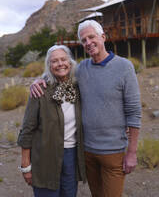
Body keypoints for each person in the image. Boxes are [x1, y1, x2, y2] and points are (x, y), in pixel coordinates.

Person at [30, 20, 142, 197]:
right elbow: (59, 72)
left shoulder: (124, 67)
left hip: (113, 153)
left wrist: (132, 153)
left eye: (92, 37)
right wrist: (38, 80)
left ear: (103, 37)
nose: (88, 43)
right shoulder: (81, 69)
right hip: (86, 152)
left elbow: (134, 113)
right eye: (84, 40)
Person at [17, 45, 86, 197]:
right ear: (49, 66)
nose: (60, 64)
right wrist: (25, 165)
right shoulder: (40, 90)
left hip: (71, 155)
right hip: (45, 157)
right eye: (54, 61)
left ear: (70, 62)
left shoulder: (79, 87)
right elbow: (27, 129)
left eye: (63, 59)